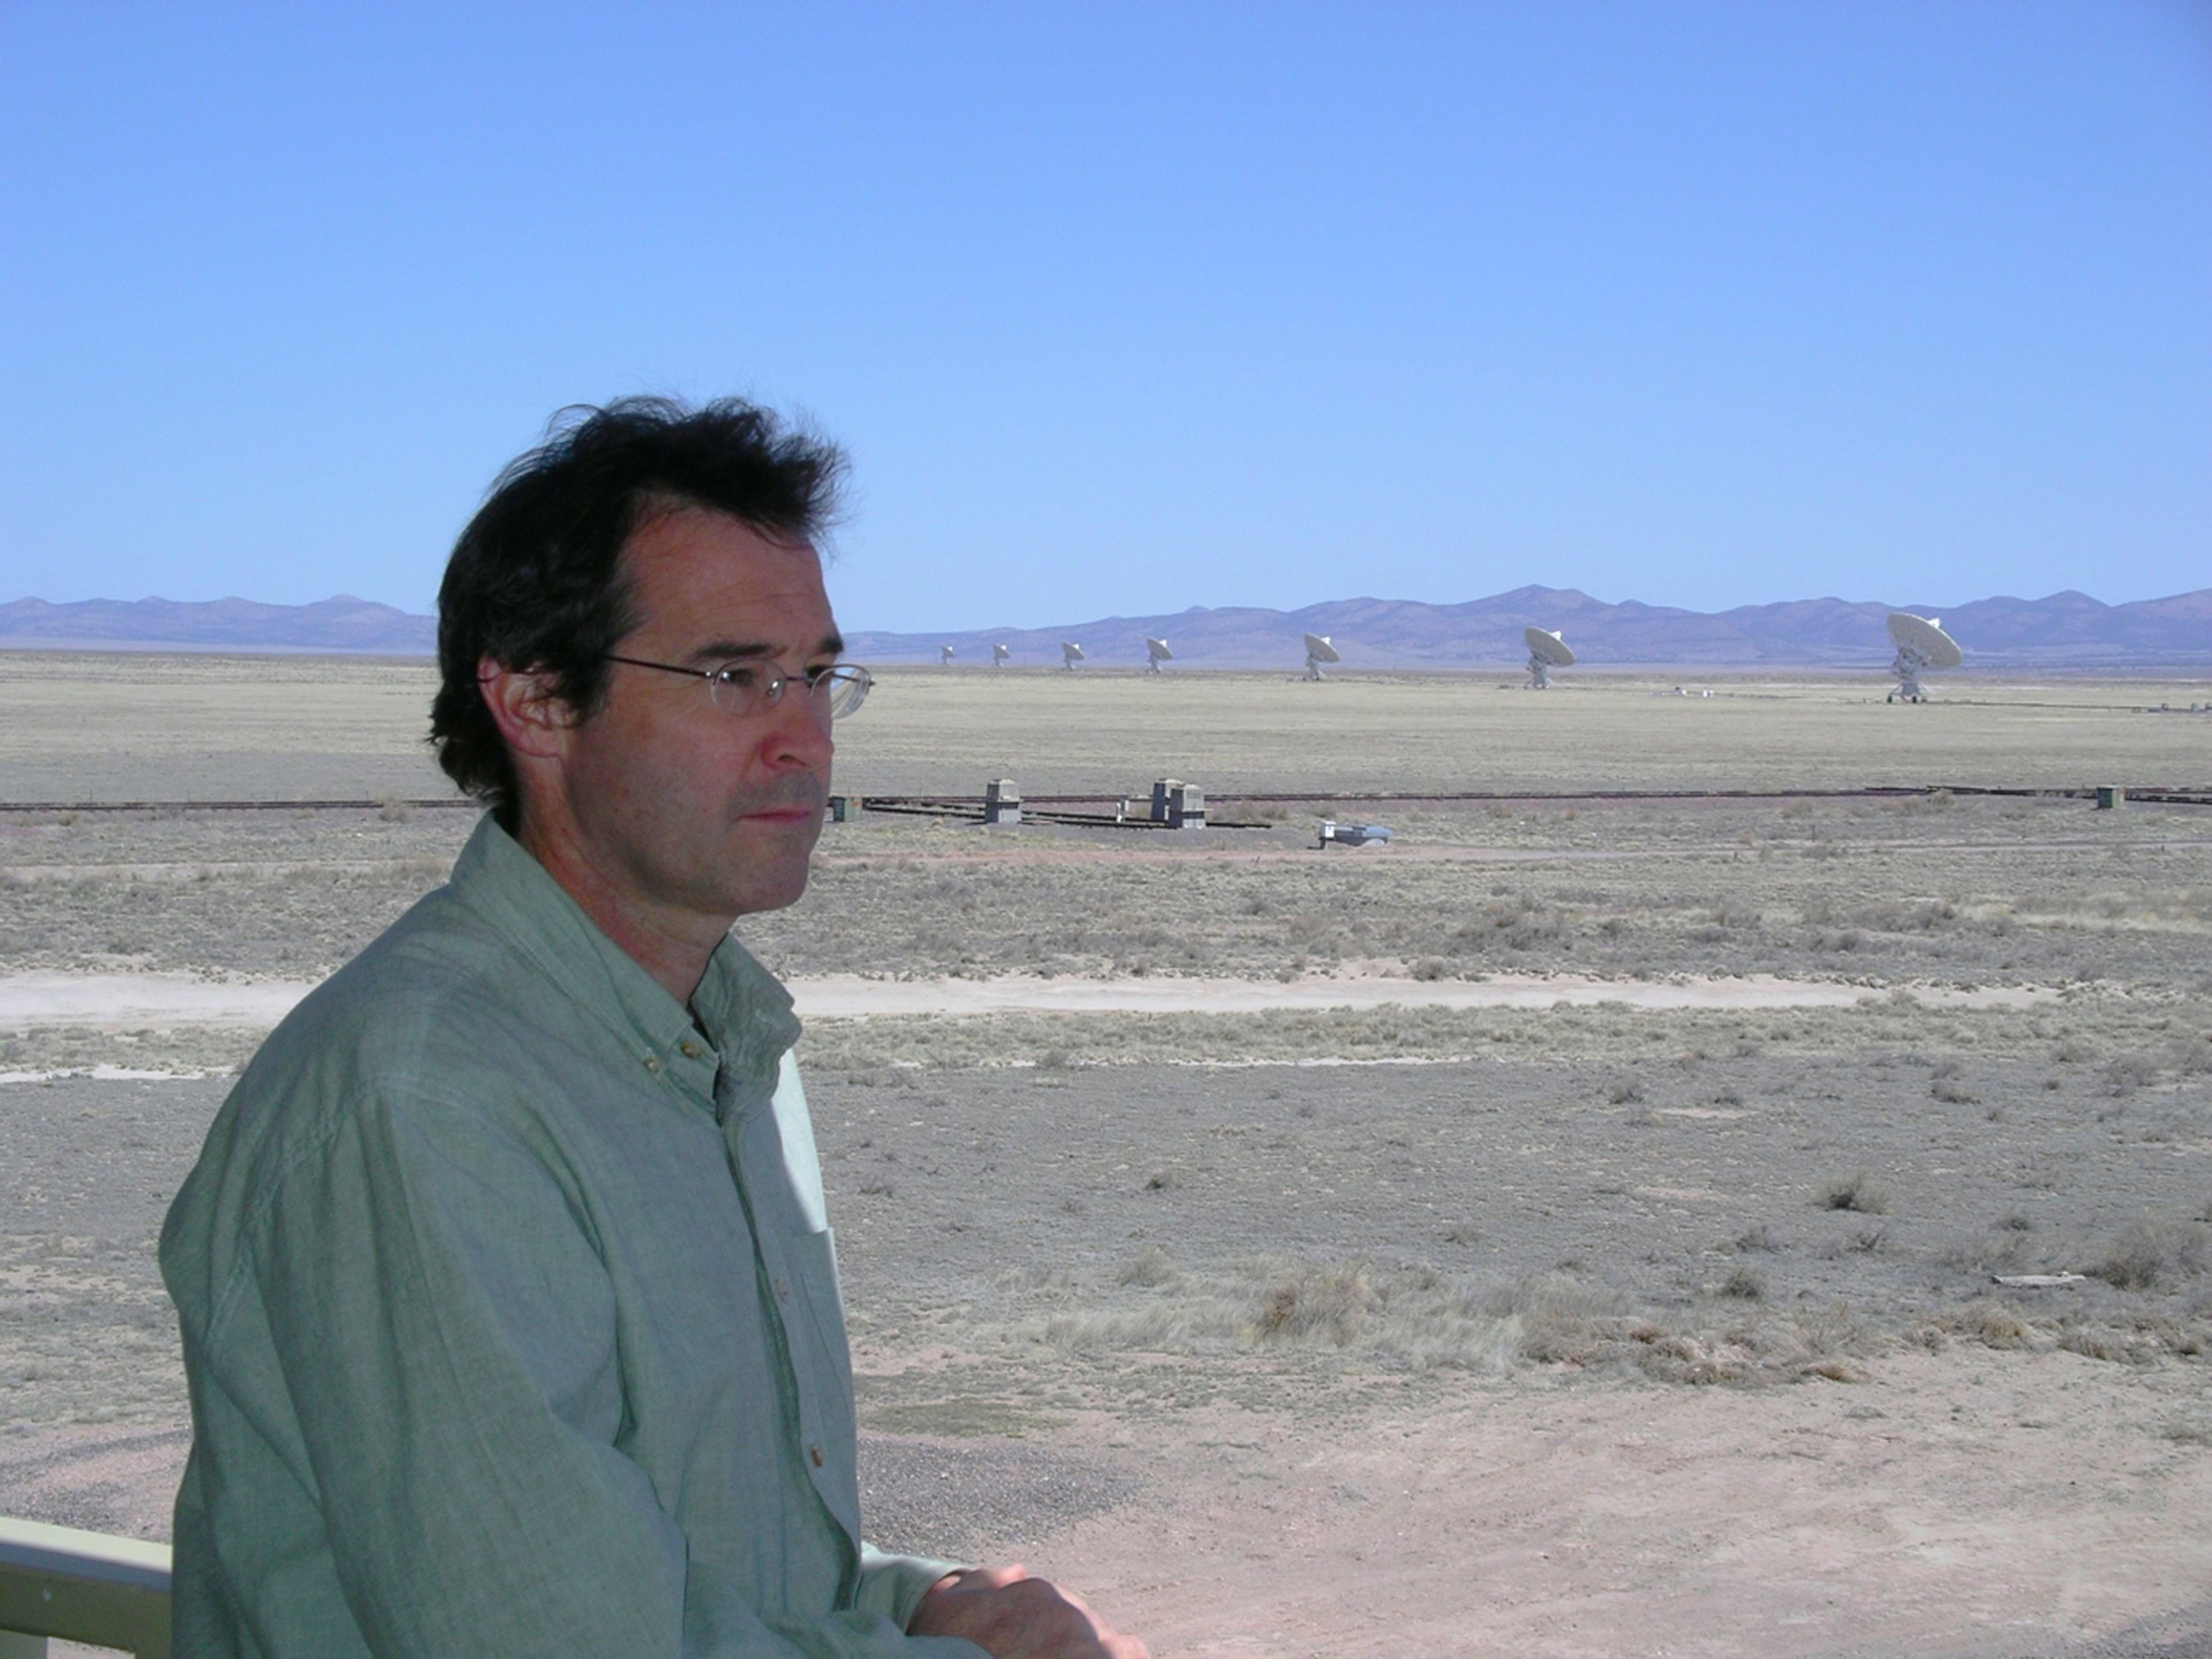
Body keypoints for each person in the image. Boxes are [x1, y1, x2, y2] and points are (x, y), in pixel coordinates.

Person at [159, 397, 1149, 1659]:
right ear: (537, 704)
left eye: (821, 674)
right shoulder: (427, 1101)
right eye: (734, 676)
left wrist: (929, 1606)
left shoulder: (724, 1055)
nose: (805, 737)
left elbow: (713, 1559)